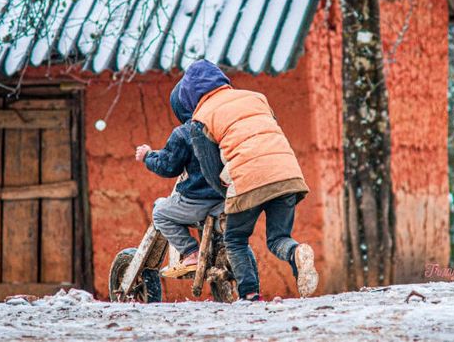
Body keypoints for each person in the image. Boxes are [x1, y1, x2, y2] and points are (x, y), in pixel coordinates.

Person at [178, 59, 319, 300]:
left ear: (190, 95)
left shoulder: (200, 118)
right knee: (278, 239)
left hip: (248, 178)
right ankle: (296, 252)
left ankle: (250, 295)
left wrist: (226, 194)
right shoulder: (256, 97)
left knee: (235, 239)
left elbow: (211, 169)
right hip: (287, 173)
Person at [135, 79, 224, 278]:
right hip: (224, 199)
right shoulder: (221, 125)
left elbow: (168, 166)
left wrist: (148, 156)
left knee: (161, 212)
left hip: (197, 201)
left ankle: (191, 252)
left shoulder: (183, 133)